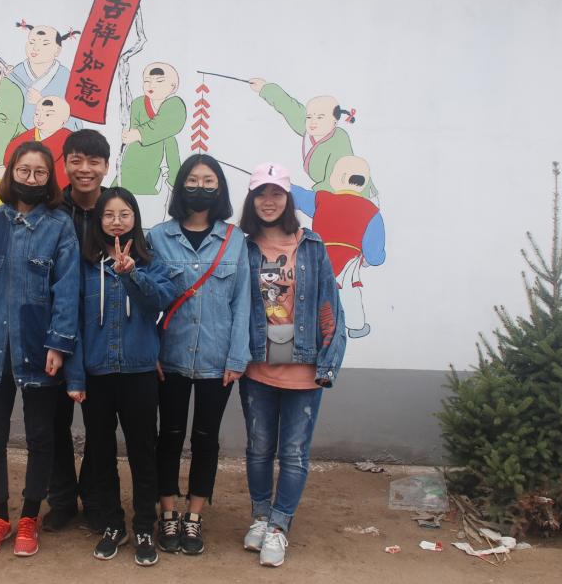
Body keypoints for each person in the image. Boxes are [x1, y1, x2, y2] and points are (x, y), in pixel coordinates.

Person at [0, 141, 80, 557]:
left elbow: (67, 290)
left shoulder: (59, 227)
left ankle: (29, 518)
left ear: (49, 179)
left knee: (41, 437)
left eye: (40, 172)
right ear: (11, 173)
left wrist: (59, 344)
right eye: (24, 171)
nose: (31, 179)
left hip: (38, 349)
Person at [239, 162, 347, 567]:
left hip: (303, 368)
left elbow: (330, 306)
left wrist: (327, 363)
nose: (268, 201)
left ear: (287, 199)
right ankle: (260, 516)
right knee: (258, 449)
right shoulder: (244, 247)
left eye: (276, 193)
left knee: (295, 453)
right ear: (252, 200)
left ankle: (280, 526)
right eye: (261, 194)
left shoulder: (312, 246)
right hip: (258, 367)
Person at [64, 187, 177, 565]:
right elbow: (74, 323)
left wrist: (131, 274)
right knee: (101, 453)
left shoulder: (150, 262)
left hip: (139, 373)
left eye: (124, 214)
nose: (116, 221)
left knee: (143, 454)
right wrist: (75, 377)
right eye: (109, 215)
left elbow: (160, 301)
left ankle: (144, 525)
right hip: (96, 373)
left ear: (135, 219)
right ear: (98, 221)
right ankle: (113, 524)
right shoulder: (84, 265)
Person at [147, 154, 251, 555]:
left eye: (209, 181)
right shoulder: (159, 237)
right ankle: (168, 512)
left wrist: (237, 358)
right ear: (180, 186)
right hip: (169, 356)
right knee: (169, 436)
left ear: (220, 188)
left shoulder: (234, 240)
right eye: (193, 180)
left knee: (206, 439)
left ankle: (194, 516)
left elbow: (242, 303)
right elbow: (147, 299)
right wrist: (150, 351)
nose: (200, 187)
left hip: (216, 359)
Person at [45, 129, 113, 532]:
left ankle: (96, 499)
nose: (84, 169)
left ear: (106, 166)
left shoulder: (116, 208)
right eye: (76, 160)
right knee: (54, 421)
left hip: (103, 334)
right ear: (65, 163)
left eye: (93, 161)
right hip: (56, 332)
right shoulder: (52, 210)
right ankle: (62, 499)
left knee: (100, 424)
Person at [291, 155, 385, 338]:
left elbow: (298, 197)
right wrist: (374, 259)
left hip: (321, 257)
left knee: (315, 290)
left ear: (340, 178)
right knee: (349, 293)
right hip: (349, 260)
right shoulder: (371, 212)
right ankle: (356, 326)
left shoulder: (322, 200)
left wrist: (279, 184)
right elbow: (374, 251)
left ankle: (311, 324)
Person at [248, 79, 376, 197]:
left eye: (320, 117)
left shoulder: (339, 141)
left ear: (334, 121)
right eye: (309, 117)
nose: (313, 122)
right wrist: (265, 88)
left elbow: (334, 182)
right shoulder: (311, 129)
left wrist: (304, 196)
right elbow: (289, 107)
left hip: (351, 194)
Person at [119, 62, 185, 195]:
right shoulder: (138, 103)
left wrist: (139, 134)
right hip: (137, 154)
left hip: (164, 154)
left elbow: (165, 125)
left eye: (159, 81)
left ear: (173, 86)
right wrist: (130, 135)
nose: (152, 85)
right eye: (147, 81)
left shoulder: (175, 104)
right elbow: (133, 127)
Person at [9, 23, 81, 132]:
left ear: (57, 50)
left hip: (56, 135)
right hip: (22, 134)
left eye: (45, 44)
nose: (35, 48)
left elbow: (72, 114)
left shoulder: (65, 76)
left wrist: (41, 101)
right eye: (32, 42)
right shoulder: (17, 72)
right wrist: (5, 79)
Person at [4, 96, 72, 189]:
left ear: (63, 121)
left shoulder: (70, 140)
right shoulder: (26, 137)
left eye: (48, 115)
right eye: (37, 113)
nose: (40, 118)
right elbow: (8, 159)